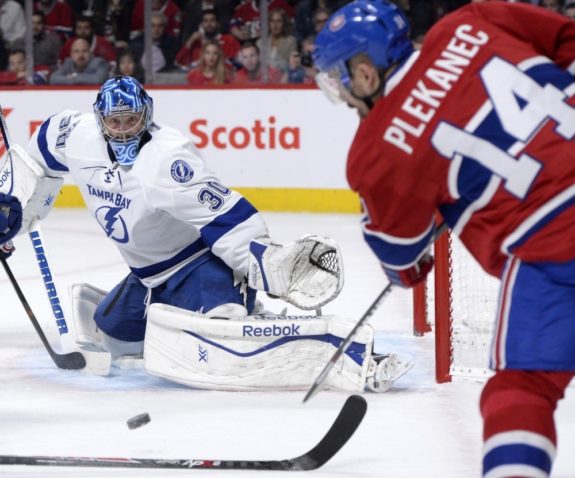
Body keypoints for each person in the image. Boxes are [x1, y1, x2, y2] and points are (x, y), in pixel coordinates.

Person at [313, 1, 575, 476]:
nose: (345, 97)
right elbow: (567, 44)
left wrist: (438, 204)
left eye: (341, 81)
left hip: (552, 239)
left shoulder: (377, 150)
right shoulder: (471, 20)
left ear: (366, 74)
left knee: (523, 390)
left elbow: (406, 266)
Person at [23, 75, 410, 392]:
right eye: (115, 122)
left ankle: (335, 350)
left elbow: (228, 218)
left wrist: (271, 266)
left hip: (199, 266)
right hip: (147, 278)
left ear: (147, 116)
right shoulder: (74, 135)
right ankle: (213, 316)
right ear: (99, 120)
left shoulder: (167, 159)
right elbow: (34, 159)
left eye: (132, 121)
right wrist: (12, 207)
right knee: (113, 338)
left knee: (228, 340)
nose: (123, 131)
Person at [175, 9, 240, 69]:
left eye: (212, 20)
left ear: (218, 24)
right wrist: (190, 41)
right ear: (201, 25)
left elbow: (239, 62)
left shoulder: (229, 40)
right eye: (205, 21)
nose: (209, 24)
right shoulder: (195, 42)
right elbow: (179, 62)